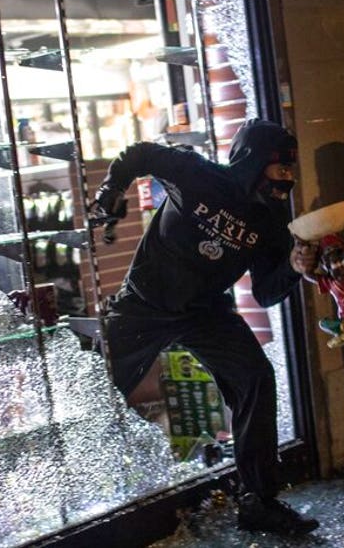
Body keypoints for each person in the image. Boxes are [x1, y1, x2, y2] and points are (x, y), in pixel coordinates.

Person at [89, 118, 319, 536]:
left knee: (256, 378)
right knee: (97, 390)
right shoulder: (198, 174)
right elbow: (139, 154)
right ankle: (89, 499)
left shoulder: (271, 220)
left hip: (204, 312)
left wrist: (292, 267)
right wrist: (111, 189)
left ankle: (258, 502)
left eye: (291, 169)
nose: (287, 178)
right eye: (280, 168)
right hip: (144, 304)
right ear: (252, 160)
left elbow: (266, 293)